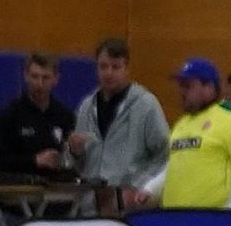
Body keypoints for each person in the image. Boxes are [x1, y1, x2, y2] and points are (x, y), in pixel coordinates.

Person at [129, 58, 231, 211]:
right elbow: (175, 166)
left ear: (209, 88)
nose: (181, 91)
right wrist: (151, 189)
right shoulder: (182, 123)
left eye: (188, 86)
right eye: (180, 85)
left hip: (213, 219)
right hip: (175, 218)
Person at [67, 37, 171, 209]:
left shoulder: (145, 104)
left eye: (115, 67)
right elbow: (80, 165)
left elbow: (165, 156)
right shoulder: (86, 106)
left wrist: (140, 187)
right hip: (91, 205)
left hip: (130, 204)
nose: (108, 73)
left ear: (127, 69)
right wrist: (75, 152)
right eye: (103, 66)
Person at [0, 52, 76, 180]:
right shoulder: (9, 115)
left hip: (55, 188)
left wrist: (75, 153)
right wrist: (34, 161)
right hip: (17, 189)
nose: (39, 83)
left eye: (45, 77)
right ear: (26, 76)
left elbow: (75, 162)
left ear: (55, 79)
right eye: (34, 77)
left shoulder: (64, 116)